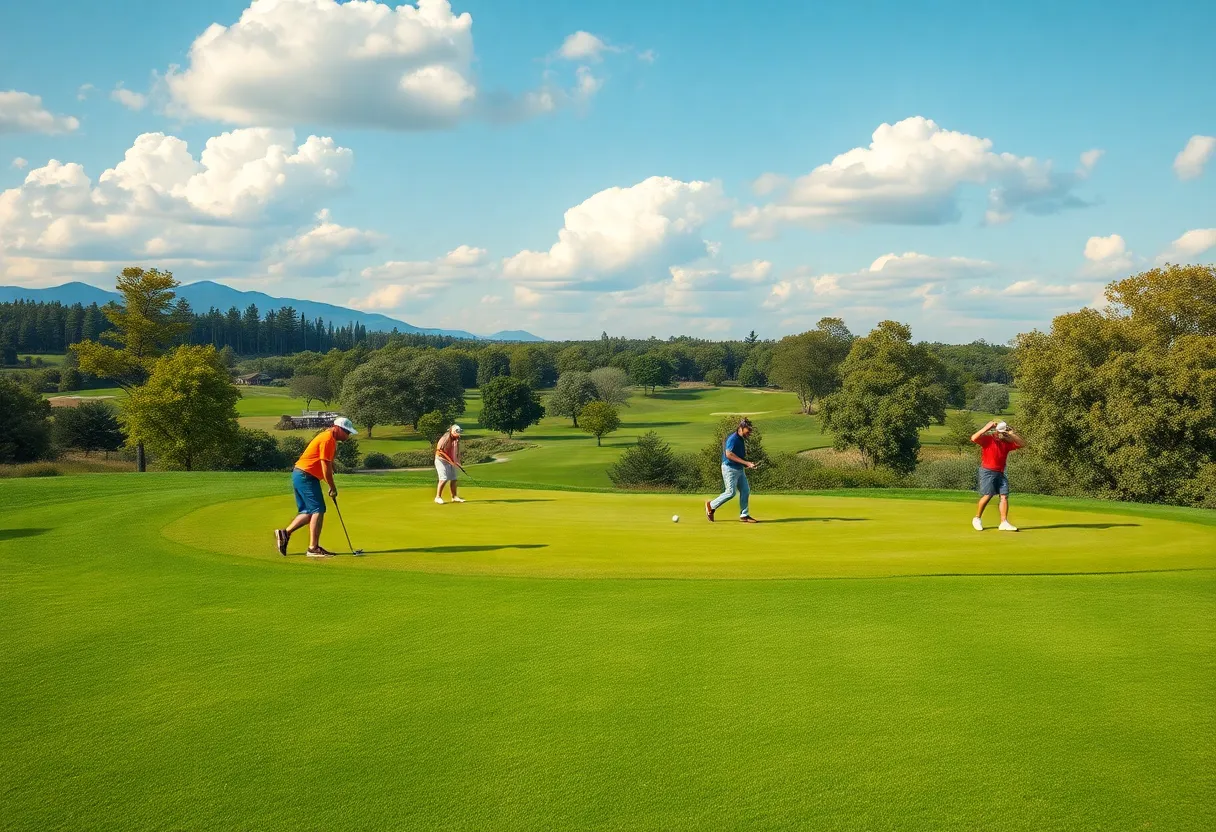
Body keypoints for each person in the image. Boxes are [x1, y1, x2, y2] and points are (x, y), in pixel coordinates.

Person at [274, 416, 357, 557]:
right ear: (337, 428)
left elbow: (327, 461)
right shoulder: (327, 439)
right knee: (318, 509)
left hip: (301, 474)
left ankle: (285, 533)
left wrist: (332, 465)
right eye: (347, 432)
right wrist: (332, 486)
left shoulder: (328, 438)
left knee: (309, 512)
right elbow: (325, 467)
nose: (348, 436)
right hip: (306, 476)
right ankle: (313, 548)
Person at [971, 419, 1025, 531]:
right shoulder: (988, 439)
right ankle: (977, 518)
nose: (1002, 434)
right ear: (996, 431)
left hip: (1000, 472)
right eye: (1001, 432)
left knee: (1004, 496)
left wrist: (1012, 433)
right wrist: (986, 427)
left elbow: (1022, 444)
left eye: (1004, 432)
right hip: (987, 471)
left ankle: (1003, 522)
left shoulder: (1007, 442)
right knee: (988, 495)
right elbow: (973, 438)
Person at [705, 418, 758, 523]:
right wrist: (746, 463)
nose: (749, 434)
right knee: (730, 492)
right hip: (729, 468)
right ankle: (710, 505)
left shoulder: (741, 439)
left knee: (745, 490)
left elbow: (737, 455)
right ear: (741, 428)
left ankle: (744, 515)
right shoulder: (733, 439)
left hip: (739, 469)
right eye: (748, 431)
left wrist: (746, 464)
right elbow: (728, 454)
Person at [434, 424, 465, 504]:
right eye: (457, 433)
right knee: (443, 478)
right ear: (452, 432)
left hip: (451, 461)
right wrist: (450, 460)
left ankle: (454, 497)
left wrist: (457, 461)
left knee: (454, 479)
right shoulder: (445, 439)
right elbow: (439, 451)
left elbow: (456, 451)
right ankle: (438, 497)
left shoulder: (457, 439)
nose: (459, 435)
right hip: (441, 461)